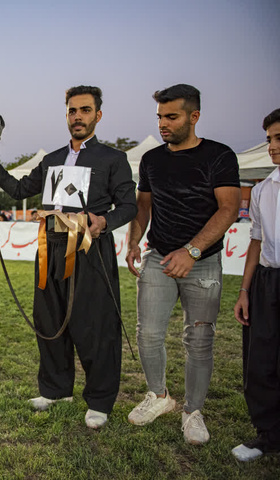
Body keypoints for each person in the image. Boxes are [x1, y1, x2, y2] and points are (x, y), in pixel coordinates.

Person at [0, 86, 136, 429]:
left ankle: (99, 400)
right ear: (66, 114)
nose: (77, 116)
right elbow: (20, 190)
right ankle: (55, 389)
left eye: (85, 110)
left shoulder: (113, 159)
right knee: (49, 320)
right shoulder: (51, 160)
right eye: (72, 111)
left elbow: (129, 206)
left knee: (94, 325)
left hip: (90, 250)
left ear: (98, 115)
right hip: (50, 247)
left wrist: (103, 221)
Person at [126, 84, 240, 445]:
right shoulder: (152, 159)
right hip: (158, 256)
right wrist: (132, 240)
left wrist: (191, 252)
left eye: (171, 116)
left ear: (194, 116)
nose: (163, 123)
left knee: (200, 339)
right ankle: (159, 396)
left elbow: (228, 209)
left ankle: (192, 411)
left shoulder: (219, 155)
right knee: (148, 334)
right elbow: (143, 206)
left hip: (202, 262)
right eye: (159, 116)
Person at [231, 108, 280, 461]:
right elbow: (257, 242)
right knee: (261, 362)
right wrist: (246, 291)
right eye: (269, 140)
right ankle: (268, 434)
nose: (272, 147)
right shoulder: (264, 190)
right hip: (267, 281)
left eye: (279, 139)